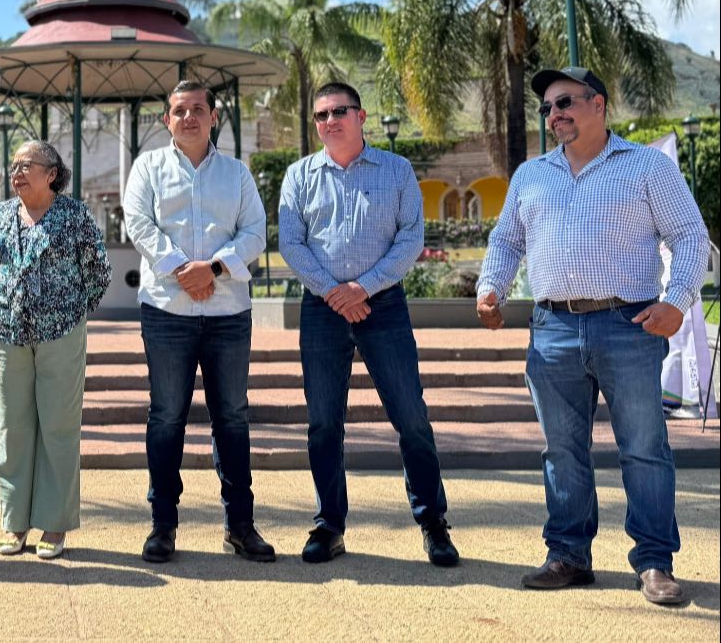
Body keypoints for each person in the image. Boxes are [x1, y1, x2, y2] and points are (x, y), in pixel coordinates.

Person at [476, 66, 709, 606]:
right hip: (551, 328)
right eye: (548, 108)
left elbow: (690, 236)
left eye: (565, 103)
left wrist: (676, 302)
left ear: (598, 105)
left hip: (629, 326)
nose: (554, 114)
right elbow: (506, 241)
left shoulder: (647, 166)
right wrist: (491, 287)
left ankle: (654, 562)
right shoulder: (531, 175)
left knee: (644, 449)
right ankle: (568, 556)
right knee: (561, 450)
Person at [279, 82, 458, 567]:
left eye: (339, 111)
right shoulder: (298, 176)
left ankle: (433, 523)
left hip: (384, 306)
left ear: (361, 117)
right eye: (321, 115)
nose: (329, 121)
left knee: (411, 417)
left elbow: (410, 237)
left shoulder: (397, 170)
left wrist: (363, 287)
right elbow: (292, 243)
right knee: (323, 423)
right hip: (322, 309)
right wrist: (334, 292)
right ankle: (329, 525)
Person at [121, 80, 274, 564]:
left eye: (198, 110)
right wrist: (182, 270)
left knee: (233, 417)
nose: (189, 117)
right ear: (166, 120)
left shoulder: (237, 174)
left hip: (228, 312)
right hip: (167, 311)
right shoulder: (147, 168)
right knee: (167, 417)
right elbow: (138, 223)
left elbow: (256, 231)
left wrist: (215, 268)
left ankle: (240, 526)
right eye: (180, 110)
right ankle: (163, 525)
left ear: (214, 118)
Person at [0, 140, 111, 560]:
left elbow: (98, 271)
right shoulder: (1, 214)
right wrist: (3, 308)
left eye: (26, 165)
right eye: (14, 165)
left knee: (58, 428)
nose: (17, 172)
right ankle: (14, 521)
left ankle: (54, 523)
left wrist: (70, 312)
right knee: (12, 429)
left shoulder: (73, 215)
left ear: (51, 174)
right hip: (8, 334)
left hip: (61, 334)